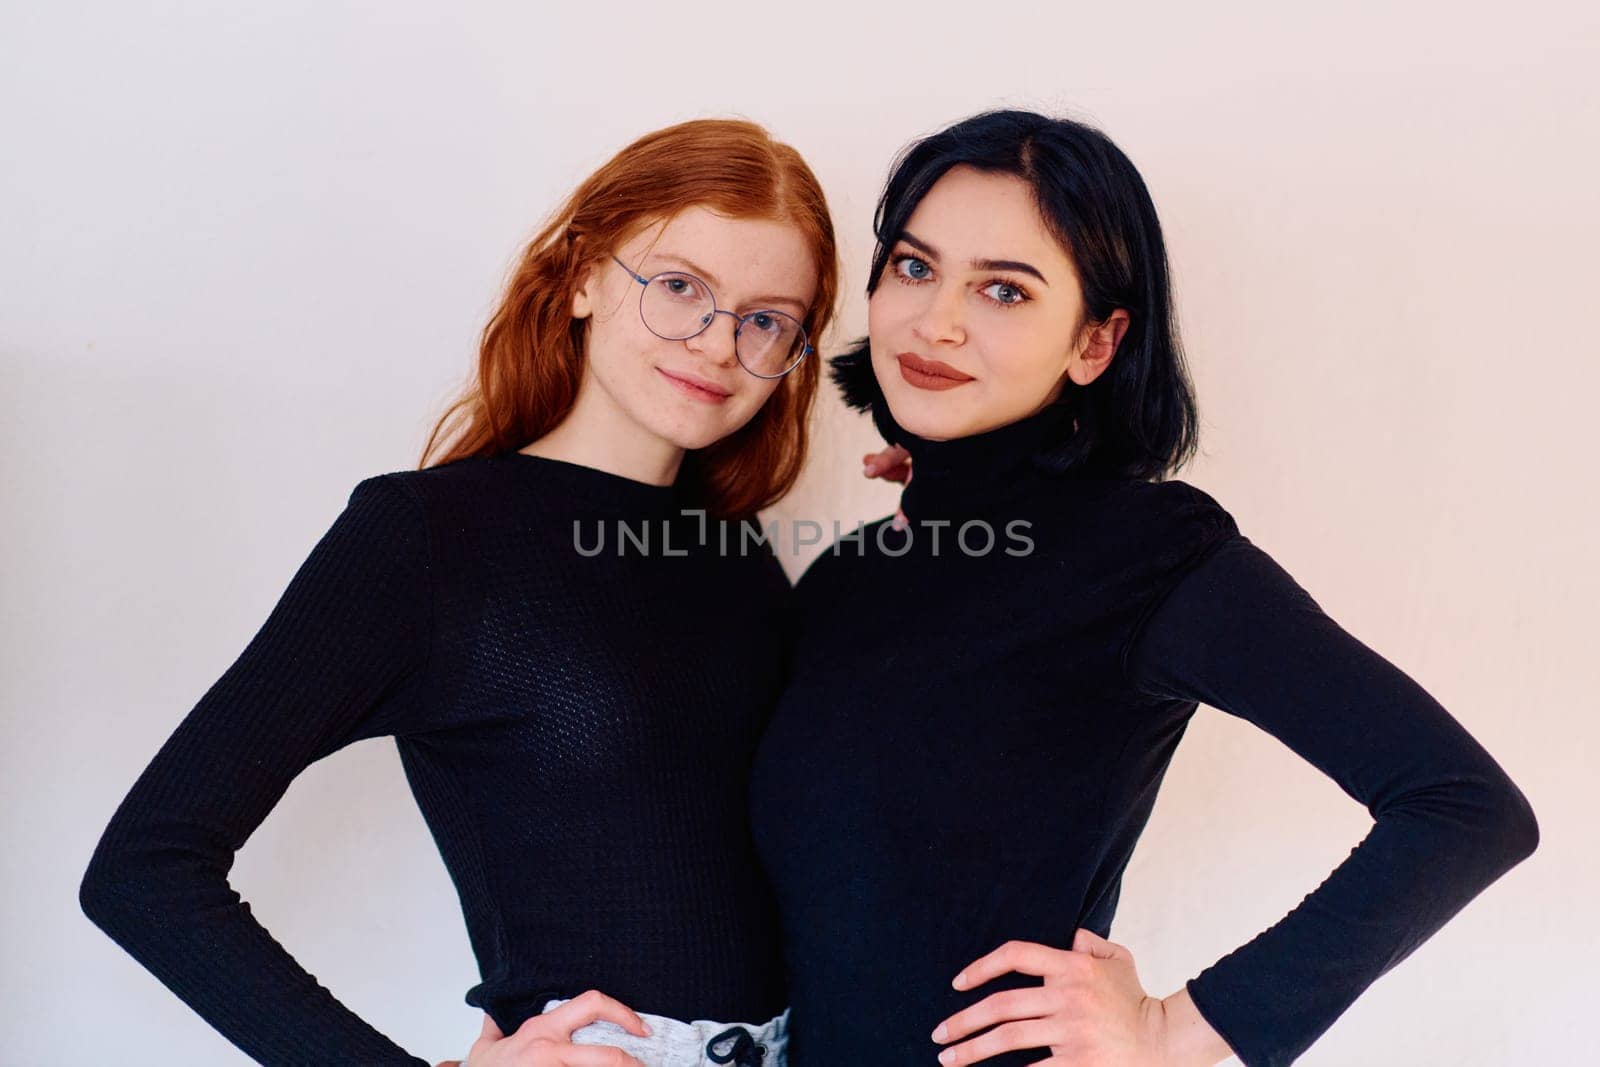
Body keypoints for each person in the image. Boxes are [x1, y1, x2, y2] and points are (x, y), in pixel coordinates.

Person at [748, 108, 1539, 1066]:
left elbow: (1464, 809)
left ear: (1097, 342)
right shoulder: (846, 577)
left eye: (1004, 290)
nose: (937, 320)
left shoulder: (1148, 556)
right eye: (915, 267)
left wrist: (1177, 1027)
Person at [79, 117, 839, 1067]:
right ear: (582, 277)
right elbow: (141, 872)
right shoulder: (427, 538)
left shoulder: (739, 555)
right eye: (681, 287)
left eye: (767, 318)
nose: (719, 344)